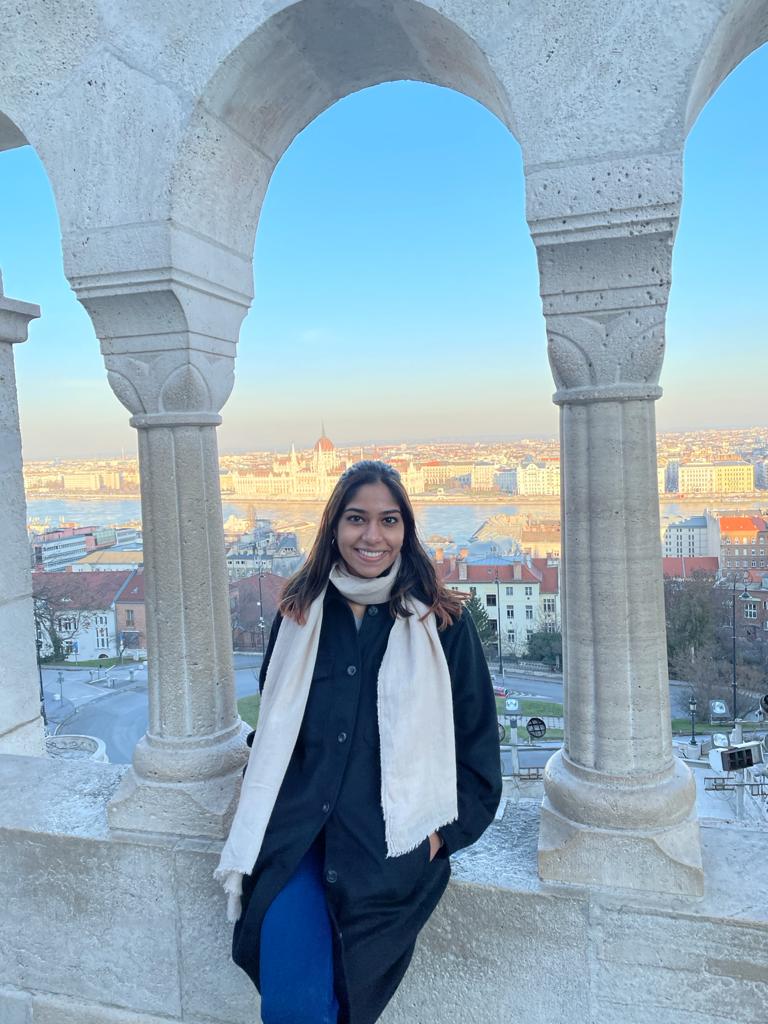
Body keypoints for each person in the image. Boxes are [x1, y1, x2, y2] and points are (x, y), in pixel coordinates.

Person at [215, 461, 502, 1024]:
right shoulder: (299, 615)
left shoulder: (442, 624)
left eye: (388, 520)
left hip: (387, 854)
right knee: (294, 1006)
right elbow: (274, 726)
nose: (372, 536)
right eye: (357, 519)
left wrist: (440, 839)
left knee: (345, 1002)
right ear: (334, 528)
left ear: (406, 530)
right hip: (297, 842)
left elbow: (478, 747)